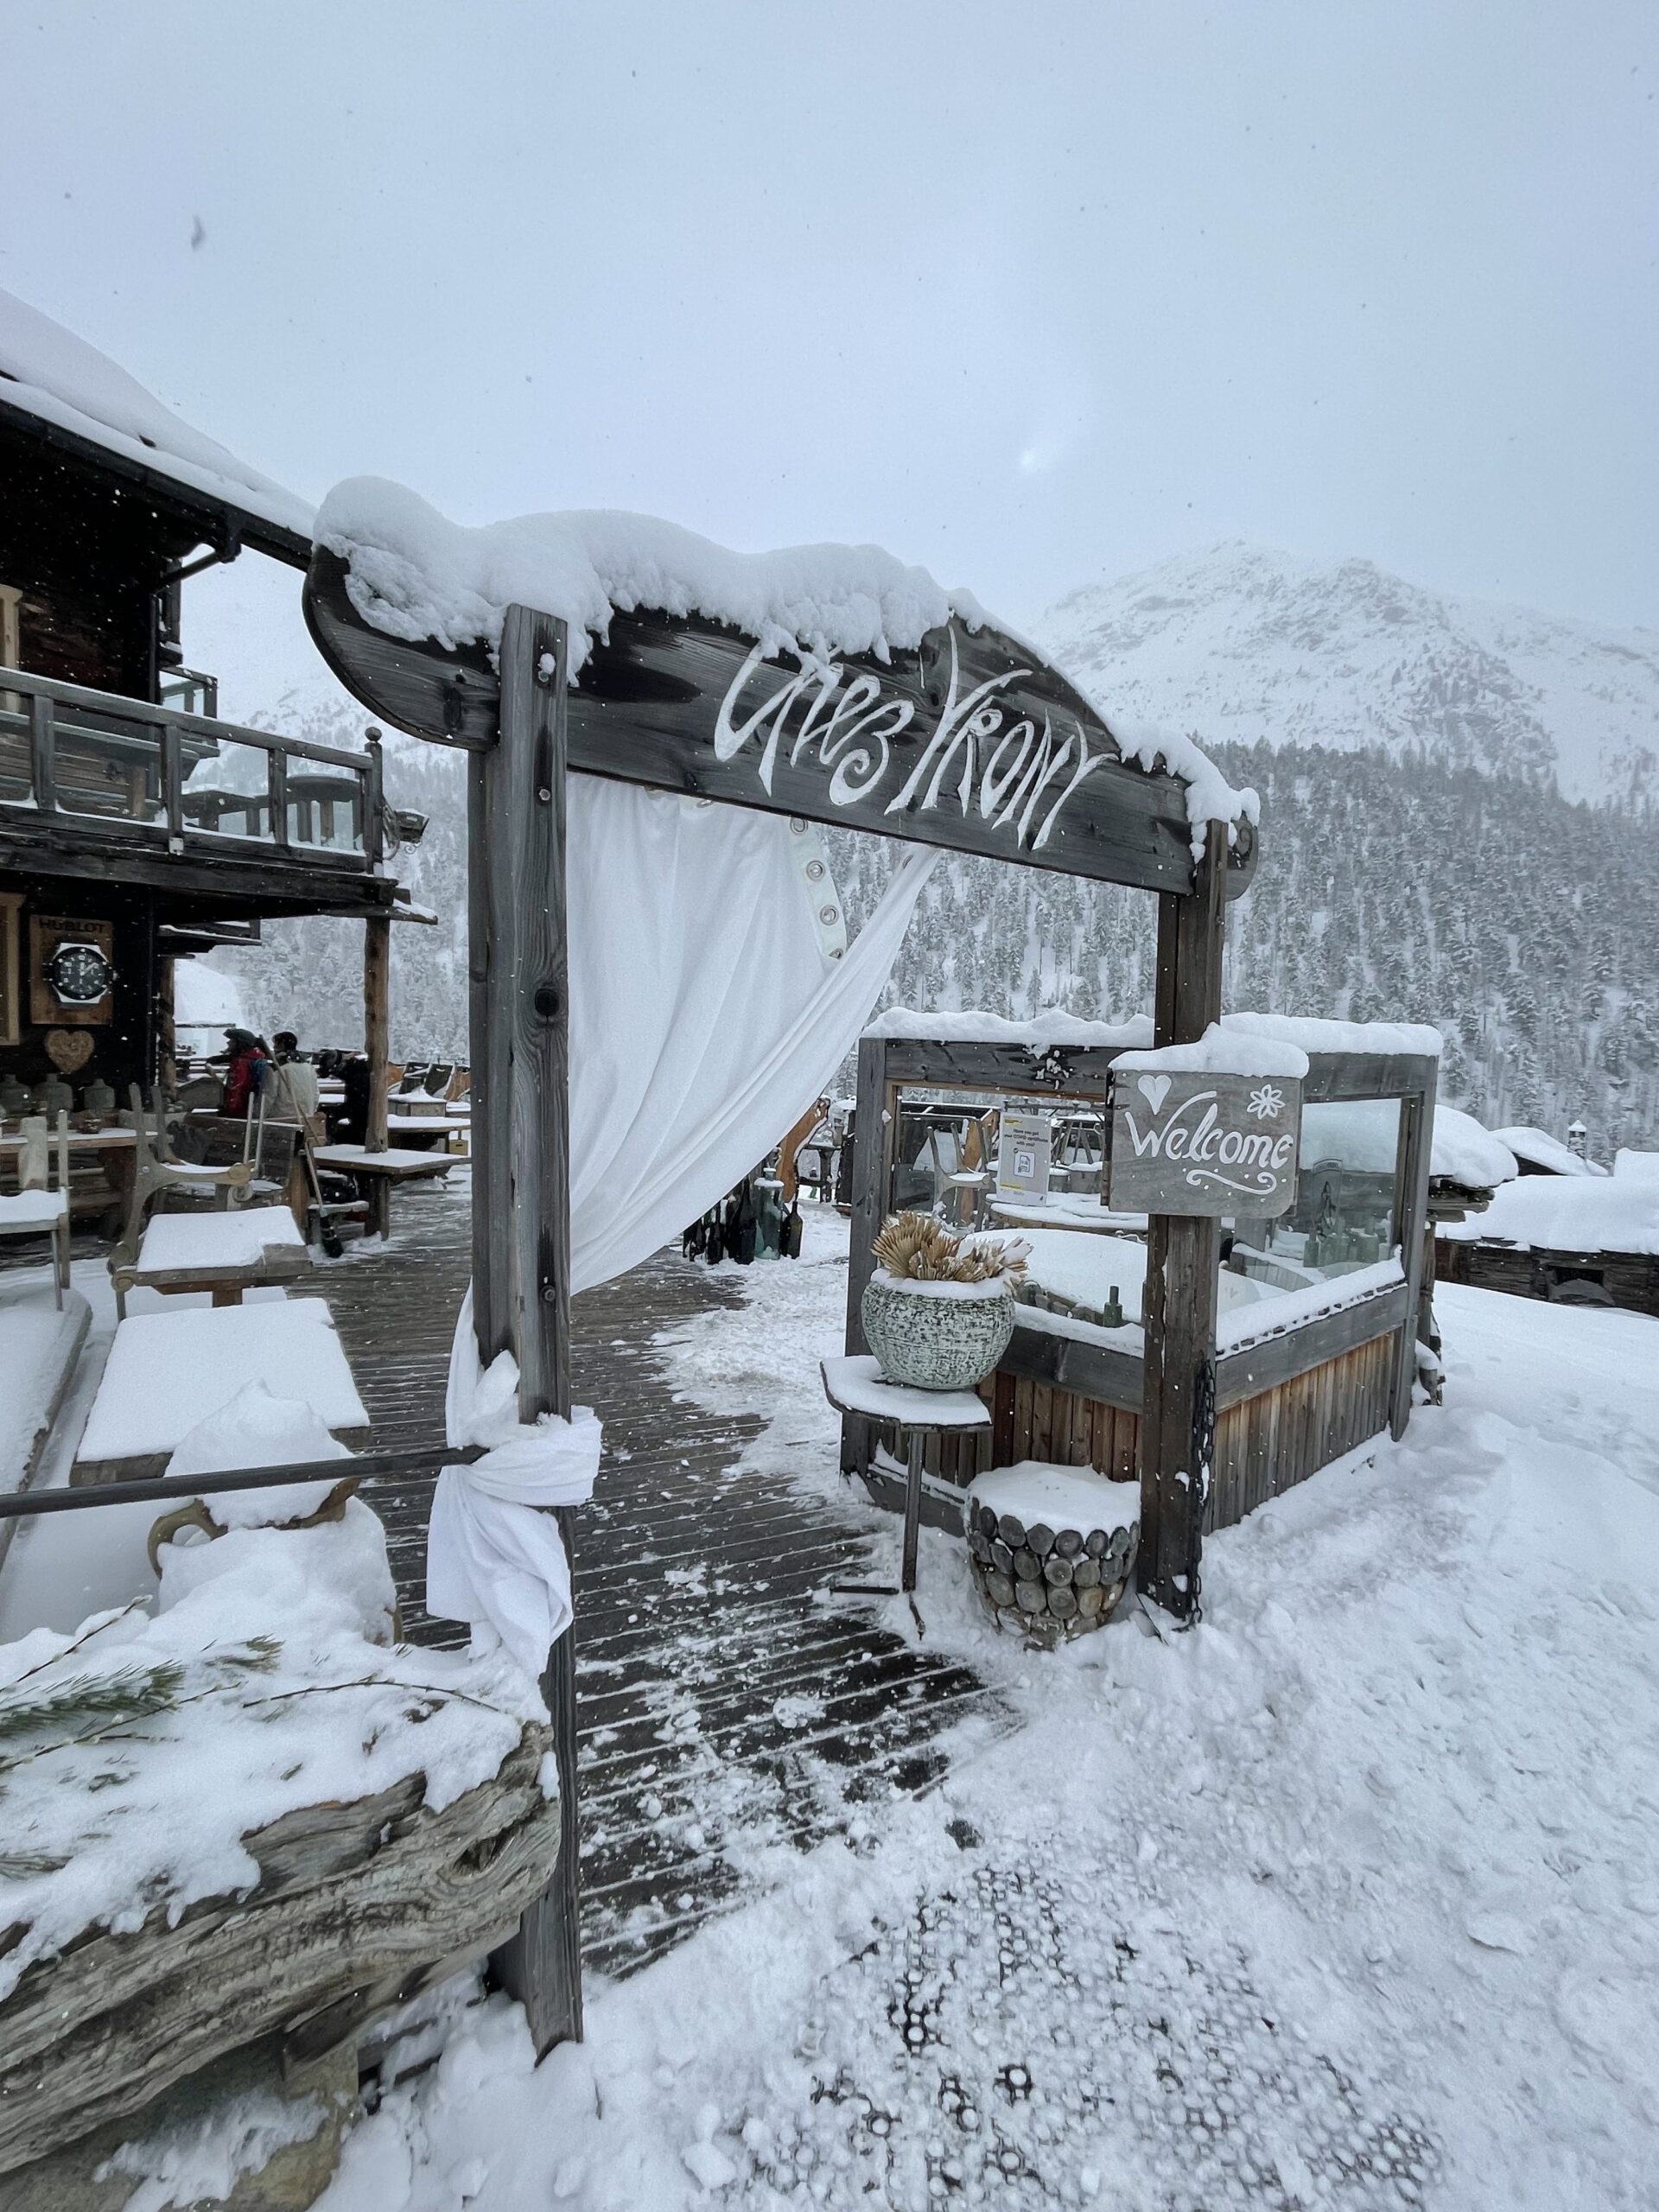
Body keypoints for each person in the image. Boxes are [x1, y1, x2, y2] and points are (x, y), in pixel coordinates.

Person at [268, 1031, 323, 1139]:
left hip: (281, 1118)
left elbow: (269, 1096)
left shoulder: (277, 1068)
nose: (274, 1047)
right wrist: (311, 1111)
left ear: (281, 1046)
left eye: (276, 1044)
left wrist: (258, 1116)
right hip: (305, 1117)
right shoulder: (308, 1067)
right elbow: (316, 1094)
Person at [219, 1027, 267, 1118]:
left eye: (231, 1040)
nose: (228, 1043)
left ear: (240, 1043)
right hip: (248, 1109)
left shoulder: (241, 1063)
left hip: (238, 1112)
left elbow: (237, 1088)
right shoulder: (255, 1058)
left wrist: (230, 1111)